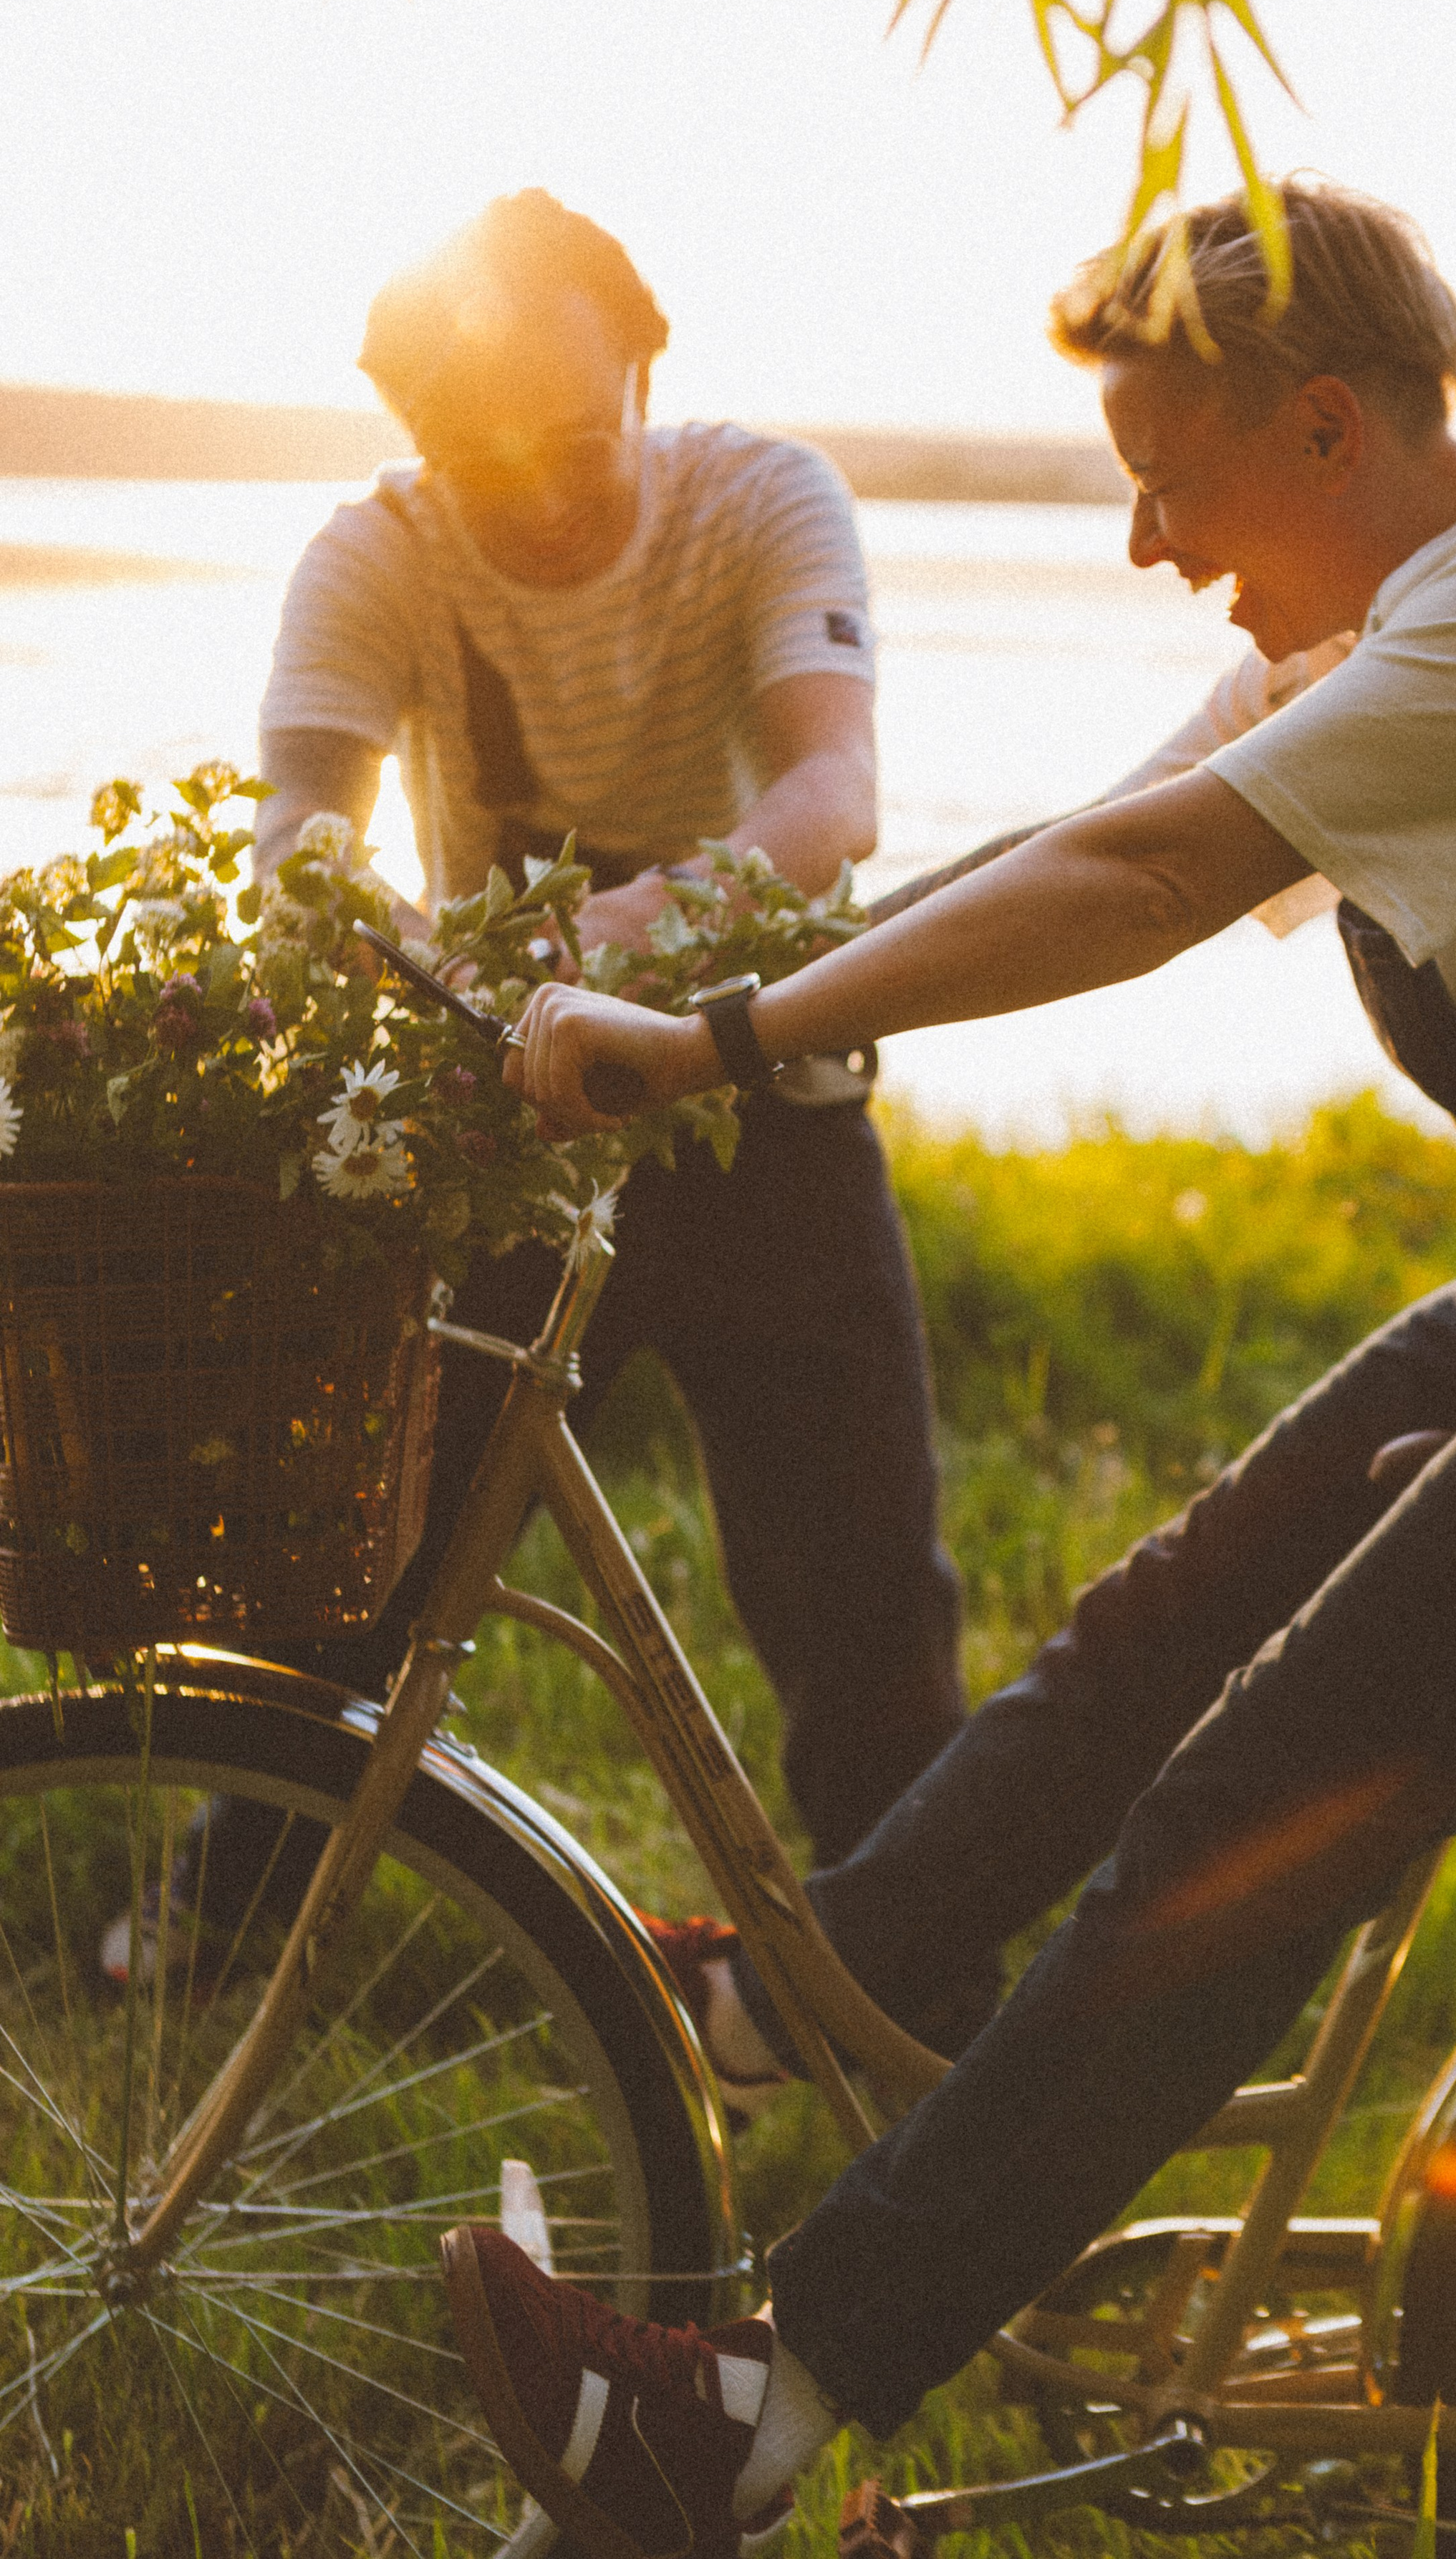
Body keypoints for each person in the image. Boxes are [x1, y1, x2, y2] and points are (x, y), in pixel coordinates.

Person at [435, 177, 1456, 2555]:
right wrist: (715, 998)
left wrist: (723, 1037)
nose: (1150, 548)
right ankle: (806, 1997)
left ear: (1318, 428)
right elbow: (1084, 839)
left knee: (1240, 1824)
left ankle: (747, 2420)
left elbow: (1154, 886)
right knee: (1156, 1626)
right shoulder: (1383, 632)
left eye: (1165, 480)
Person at [104, 193, 971, 2002]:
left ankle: (908, 1992)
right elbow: (298, 845)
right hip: (501, 1132)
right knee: (357, 1564)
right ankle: (202, 1940)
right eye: (486, 458)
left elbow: (831, 805)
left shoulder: (763, 499)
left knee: (861, 1598)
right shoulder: (375, 554)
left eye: (582, 441)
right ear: (414, 438)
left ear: (646, 375)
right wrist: (428, 973)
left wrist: (612, 944)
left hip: (765, 1112)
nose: (550, 497)